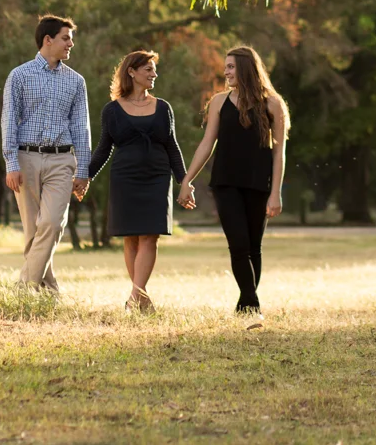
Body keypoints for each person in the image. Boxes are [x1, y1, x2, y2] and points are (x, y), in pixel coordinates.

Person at [178, 45, 288, 324]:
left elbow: (279, 153)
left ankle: (245, 303)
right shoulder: (219, 102)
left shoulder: (273, 104)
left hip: (258, 183)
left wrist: (276, 192)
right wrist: (187, 179)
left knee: (253, 247)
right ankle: (252, 304)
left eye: (230, 67)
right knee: (238, 244)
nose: (225, 72)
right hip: (225, 182)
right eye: (225, 67)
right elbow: (207, 144)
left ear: (246, 69)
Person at [88, 49, 189, 312]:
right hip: (125, 177)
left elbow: (172, 146)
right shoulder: (112, 110)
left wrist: (184, 181)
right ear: (131, 72)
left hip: (157, 177)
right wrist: (85, 175)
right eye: (148, 69)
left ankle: (135, 296)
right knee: (131, 238)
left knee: (150, 236)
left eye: (154, 69)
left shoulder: (163, 107)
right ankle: (141, 299)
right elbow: (103, 148)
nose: (154, 74)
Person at [1, 14, 91, 293]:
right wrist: (11, 163)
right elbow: (9, 120)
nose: (70, 44)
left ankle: (23, 289)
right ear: (48, 40)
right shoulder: (19, 75)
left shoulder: (76, 81)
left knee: (51, 224)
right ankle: (49, 291)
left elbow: (81, 127)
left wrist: (83, 171)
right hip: (26, 159)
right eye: (66, 39)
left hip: (62, 160)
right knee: (34, 232)